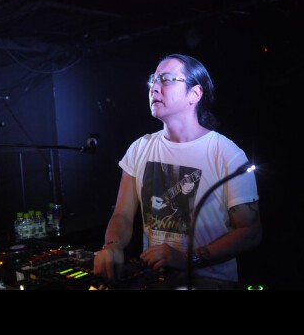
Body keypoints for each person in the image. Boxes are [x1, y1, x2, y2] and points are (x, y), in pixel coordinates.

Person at [93, 53, 261, 284]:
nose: (154, 87)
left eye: (167, 79)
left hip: (210, 283)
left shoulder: (226, 153)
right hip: (156, 281)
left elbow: (250, 232)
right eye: (153, 80)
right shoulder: (139, 148)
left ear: (195, 93)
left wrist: (189, 259)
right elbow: (122, 214)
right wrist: (112, 245)